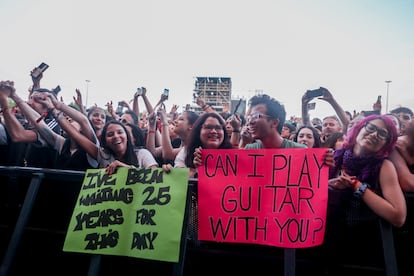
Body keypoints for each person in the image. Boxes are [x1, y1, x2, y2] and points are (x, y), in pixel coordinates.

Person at [184, 112, 233, 177]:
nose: (214, 131)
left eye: (218, 128)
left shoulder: (234, 159)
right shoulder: (185, 153)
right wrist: (195, 171)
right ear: (198, 131)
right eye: (208, 127)